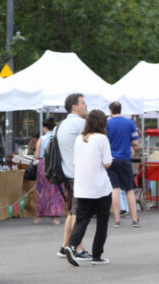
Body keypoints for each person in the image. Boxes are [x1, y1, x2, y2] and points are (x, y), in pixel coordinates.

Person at [62, 109, 112, 266]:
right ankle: (97, 255)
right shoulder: (102, 138)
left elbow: (76, 162)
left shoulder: (79, 139)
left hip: (82, 186)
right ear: (102, 122)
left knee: (82, 220)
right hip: (100, 187)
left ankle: (71, 245)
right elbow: (107, 163)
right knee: (102, 221)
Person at [56, 92, 89, 260]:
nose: (86, 106)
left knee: (72, 210)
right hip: (79, 172)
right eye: (83, 103)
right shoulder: (81, 123)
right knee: (78, 212)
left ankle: (65, 246)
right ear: (74, 106)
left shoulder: (61, 124)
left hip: (66, 172)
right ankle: (77, 247)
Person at [106, 101, 140, 227]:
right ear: (121, 109)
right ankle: (135, 220)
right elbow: (136, 143)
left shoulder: (107, 124)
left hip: (111, 159)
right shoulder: (129, 123)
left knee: (115, 189)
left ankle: (117, 220)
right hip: (125, 159)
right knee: (129, 189)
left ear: (110, 110)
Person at [34, 118, 63, 225]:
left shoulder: (41, 139)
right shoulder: (57, 137)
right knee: (55, 190)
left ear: (45, 127)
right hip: (55, 164)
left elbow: (36, 155)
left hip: (44, 164)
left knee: (42, 190)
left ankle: (39, 216)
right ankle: (54, 217)